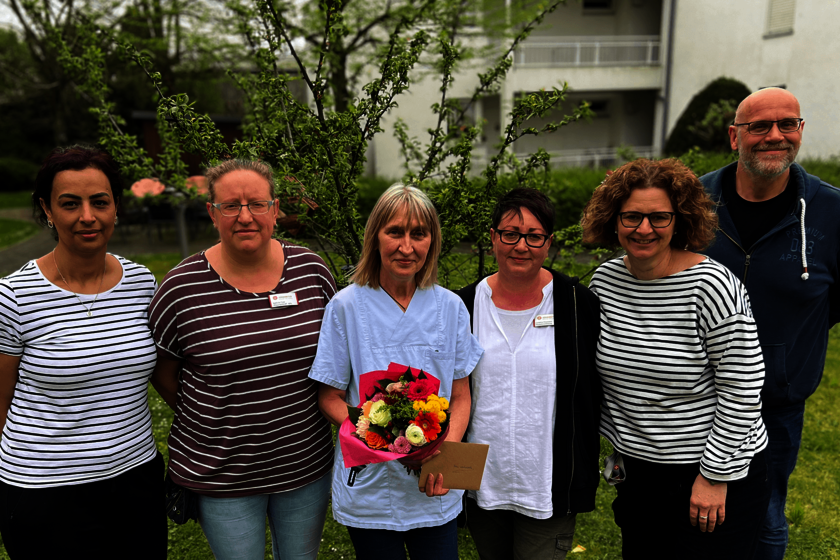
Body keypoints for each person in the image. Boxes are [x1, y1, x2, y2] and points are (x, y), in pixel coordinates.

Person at [581, 158, 770, 560]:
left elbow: (742, 388)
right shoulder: (605, 282)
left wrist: (713, 476)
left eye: (659, 217)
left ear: (679, 220)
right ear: (613, 220)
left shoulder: (712, 287)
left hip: (710, 470)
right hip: (639, 473)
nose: (644, 229)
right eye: (632, 216)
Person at [148, 159, 336, 560]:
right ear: (212, 212)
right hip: (222, 471)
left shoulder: (311, 270)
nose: (245, 217)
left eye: (257, 204)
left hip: (303, 464)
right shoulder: (181, 286)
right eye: (231, 206)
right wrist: (213, 416)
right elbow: (162, 372)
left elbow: (336, 356)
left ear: (275, 209)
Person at [0, 145, 166, 559]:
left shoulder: (141, 283)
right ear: (47, 209)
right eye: (70, 203)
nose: (87, 216)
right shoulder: (14, 296)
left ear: (116, 207)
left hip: (136, 480)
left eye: (100, 202)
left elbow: (163, 372)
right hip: (45, 491)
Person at [699, 87, 840, 559]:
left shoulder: (831, 211)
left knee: (765, 514)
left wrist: (783, 355)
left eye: (787, 124)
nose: (774, 135)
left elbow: (830, 302)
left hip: (775, 404)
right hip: (692, 397)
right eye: (759, 126)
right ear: (734, 136)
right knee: (690, 514)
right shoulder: (694, 200)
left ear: (800, 130)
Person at [308, 184, 483, 560]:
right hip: (370, 485)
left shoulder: (451, 307)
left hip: (433, 484)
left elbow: (460, 395)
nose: (407, 246)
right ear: (375, 237)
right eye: (395, 232)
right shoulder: (346, 307)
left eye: (418, 233)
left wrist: (441, 452)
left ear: (432, 241)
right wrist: (380, 437)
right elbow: (329, 397)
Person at [454, 188, 602, 560]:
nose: (521, 246)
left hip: (547, 486)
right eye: (510, 234)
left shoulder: (576, 304)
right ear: (493, 238)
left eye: (534, 236)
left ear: (548, 243)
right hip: (482, 483)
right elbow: (452, 394)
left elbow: (592, 392)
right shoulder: (464, 306)